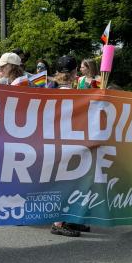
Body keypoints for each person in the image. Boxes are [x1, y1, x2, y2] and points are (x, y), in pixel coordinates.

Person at [49, 56, 90, 237]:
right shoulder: (74, 95)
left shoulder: (50, 91)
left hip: (56, 142)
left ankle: (70, 218)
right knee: (68, 182)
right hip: (69, 143)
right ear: (74, 73)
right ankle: (58, 223)